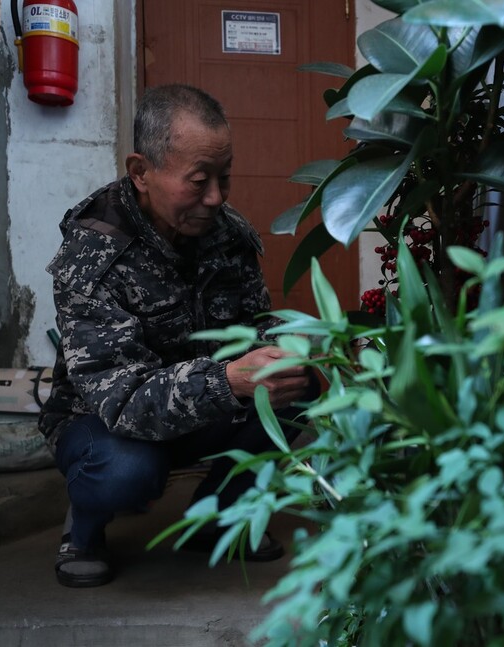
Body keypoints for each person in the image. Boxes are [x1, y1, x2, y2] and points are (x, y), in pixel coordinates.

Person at [38, 84, 315, 588]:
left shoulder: (227, 234)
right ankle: (85, 525)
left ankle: (219, 519)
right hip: (105, 426)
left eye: (223, 178)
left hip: (200, 408)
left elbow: (252, 324)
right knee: (125, 471)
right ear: (141, 172)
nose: (215, 198)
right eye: (199, 180)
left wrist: (294, 345)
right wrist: (228, 381)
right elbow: (119, 401)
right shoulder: (94, 253)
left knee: (300, 381)